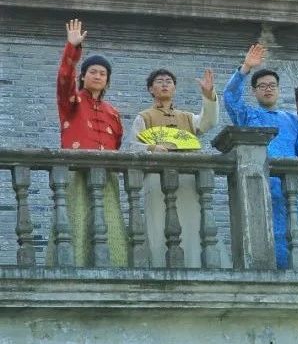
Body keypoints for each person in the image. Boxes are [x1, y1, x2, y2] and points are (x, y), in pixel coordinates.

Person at [223, 43, 298, 269]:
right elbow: (230, 98)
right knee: (258, 235)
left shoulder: (292, 120)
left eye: (272, 85)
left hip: (288, 189)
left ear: (277, 89)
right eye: (262, 86)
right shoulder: (247, 115)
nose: (268, 89)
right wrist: (245, 69)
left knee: (292, 235)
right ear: (254, 91)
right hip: (257, 185)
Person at [50, 18, 128, 266]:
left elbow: (117, 143)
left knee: (109, 222)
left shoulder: (113, 112)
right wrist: (72, 48)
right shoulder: (71, 102)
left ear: (107, 81)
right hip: (76, 172)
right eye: (92, 72)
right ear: (83, 76)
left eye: (102, 73)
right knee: (76, 220)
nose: (97, 76)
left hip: (105, 175)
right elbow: (64, 81)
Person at [129, 68, 219, 268]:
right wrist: (152, 148)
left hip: (188, 178)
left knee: (193, 222)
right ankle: (160, 266)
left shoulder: (187, 117)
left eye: (169, 81)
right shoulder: (144, 117)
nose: (164, 84)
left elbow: (209, 122)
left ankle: (196, 265)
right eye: (159, 81)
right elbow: (133, 146)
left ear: (175, 88)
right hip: (156, 178)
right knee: (158, 223)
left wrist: (209, 95)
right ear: (150, 89)